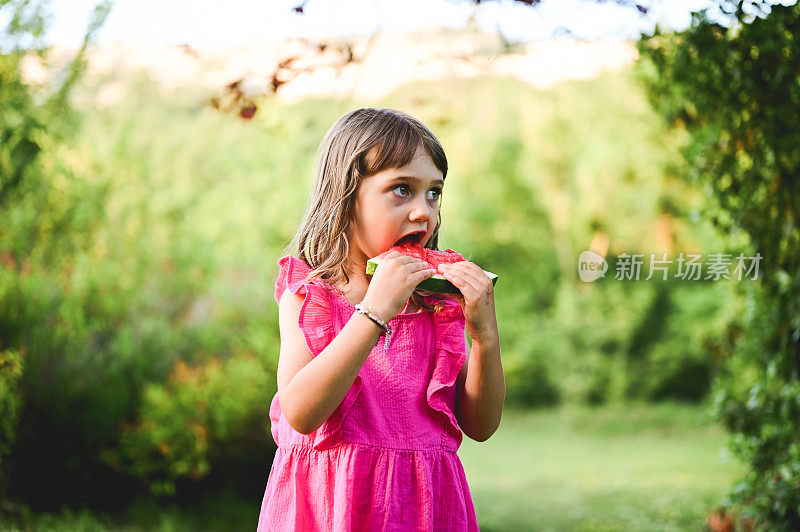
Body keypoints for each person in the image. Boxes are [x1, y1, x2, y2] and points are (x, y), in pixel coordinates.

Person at [257, 107, 505, 531]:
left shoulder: (435, 306)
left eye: (434, 193)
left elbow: (480, 426)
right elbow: (300, 412)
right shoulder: (310, 294)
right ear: (345, 195)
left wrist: (483, 336)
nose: (424, 212)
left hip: (424, 507)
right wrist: (375, 311)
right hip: (329, 506)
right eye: (401, 189)